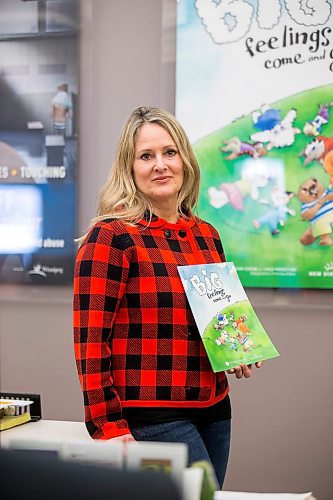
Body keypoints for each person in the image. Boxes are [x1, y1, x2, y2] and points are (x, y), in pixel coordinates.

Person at [73, 106, 263, 489]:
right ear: (130, 167)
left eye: (169, 152)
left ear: (185, 161)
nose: (160, 165)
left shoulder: (206, 233)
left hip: (215, 406)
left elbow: (216, 312)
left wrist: (237, 347)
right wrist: (106, 424)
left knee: (210, 497)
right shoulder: (111, 236)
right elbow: (89, 342)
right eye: (146, 156)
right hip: (152, 416)